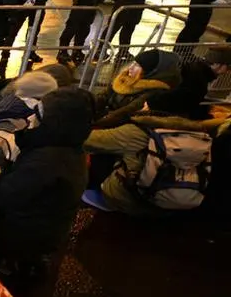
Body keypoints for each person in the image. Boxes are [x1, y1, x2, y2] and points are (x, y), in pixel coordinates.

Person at [0, 88, 92, 283]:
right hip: (48, 227)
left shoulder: (47, 161)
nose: (32, 118)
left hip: (28, 233)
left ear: (55, 123)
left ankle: (12, 268)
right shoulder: (69, 149)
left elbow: (4, 194)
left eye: (39, 114)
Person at [83, 86, 222, 215]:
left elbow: (86, 140)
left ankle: (108, 199)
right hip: (180, 203)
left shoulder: (137, 131)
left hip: (135, 201)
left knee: (102, 155)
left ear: (151, 108)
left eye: (145, 104)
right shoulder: (198, 134)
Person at [92, 49, 181, 128]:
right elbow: (103, 96)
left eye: (137, 65)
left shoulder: (156, 90)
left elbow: (127, 112)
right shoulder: (124, 79)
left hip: (124, 126)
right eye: (133, 63)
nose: (130, 68)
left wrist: (94, 125)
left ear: (150, 71)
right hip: (107, 119)